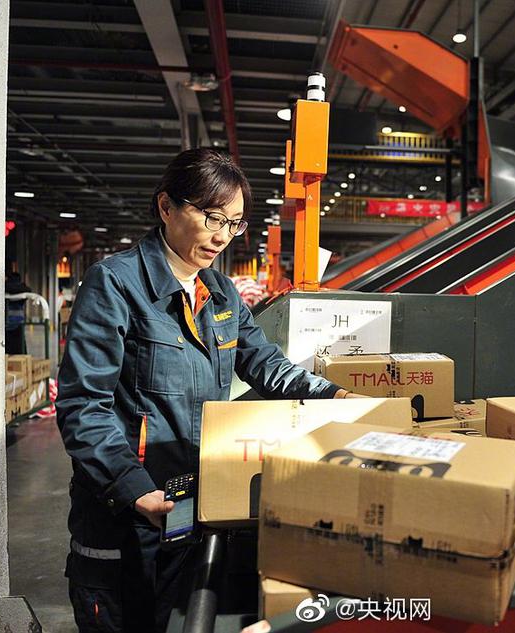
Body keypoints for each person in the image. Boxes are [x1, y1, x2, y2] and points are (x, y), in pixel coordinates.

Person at [56, 148, 359, 633]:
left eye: (234, 223)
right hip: (126, 518)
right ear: (166, 207)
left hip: (189, 505)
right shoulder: (115, 285)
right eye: (212, 217)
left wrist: (339, 398)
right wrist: (134, 489)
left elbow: (267, 365)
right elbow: (82, 406)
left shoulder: (220, 293)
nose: (222, 236)